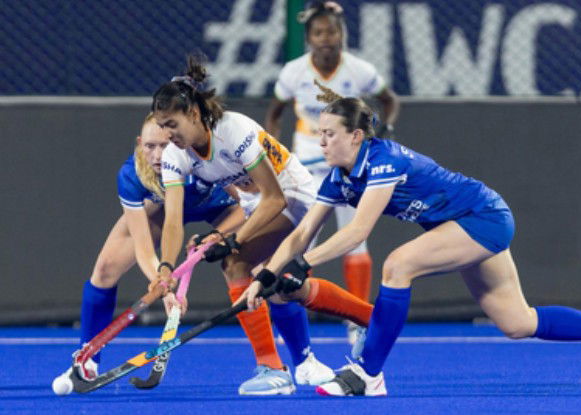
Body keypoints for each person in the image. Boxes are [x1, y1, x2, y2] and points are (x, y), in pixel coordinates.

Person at [238, 82, 581, 396]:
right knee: (517, 322)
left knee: (398, 265)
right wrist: (267, 275)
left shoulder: (383, 160)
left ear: (356, 137)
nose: (321, 141)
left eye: (329, 133)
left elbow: (358, 231)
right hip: (460, 226)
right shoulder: (338, 178)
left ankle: (368, 373)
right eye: (320, 132)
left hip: (482, 217)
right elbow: (303, 233)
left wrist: (304, 265)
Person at [151, 55, 377, 395]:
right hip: (256, 206)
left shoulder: (232, 130)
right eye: (162, 126)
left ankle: (272, 368)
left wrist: (233, 241)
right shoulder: (175, 154)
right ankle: (365, 325)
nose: (168, 135)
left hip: (295, 195)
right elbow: (172, 220)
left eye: (172, 124)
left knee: (236, 263)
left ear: (194, 113)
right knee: (282, 287)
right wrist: (166, 268)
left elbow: (274, 198)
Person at [52, 113, 244, 385]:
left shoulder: (202, 160)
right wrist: (164, 285)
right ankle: (88, 357)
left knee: (251, 266)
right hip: (164, 210)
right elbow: (143, 247)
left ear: (178, 141)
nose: (157, 155)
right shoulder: (132, 175)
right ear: (139, 143)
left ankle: (290, 361)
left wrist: (217, 235)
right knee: (105, 270)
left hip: (222, 209)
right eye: (149, 146)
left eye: (164, 146)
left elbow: (250, 206)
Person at [265, 0, 400, 342]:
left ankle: (357, 321)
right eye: (318, 33)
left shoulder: (359, 70)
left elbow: (390, 101)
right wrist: (274, 153)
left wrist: (384, 130)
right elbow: (275, 114)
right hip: (308, 165)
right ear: (309, 38)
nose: (326, 38)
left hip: (350, 167)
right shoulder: (294, 72)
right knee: (301, 240)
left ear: (342, 35)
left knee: (355, 238)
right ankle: (293, 317)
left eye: (332, 32)